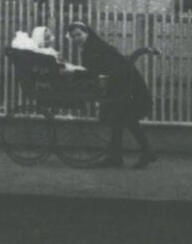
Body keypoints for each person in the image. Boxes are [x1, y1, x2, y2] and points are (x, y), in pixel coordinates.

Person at [66, 21, 156, 167]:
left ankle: (143, 152)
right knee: (119, 119)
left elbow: (95, 71)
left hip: (125, 84)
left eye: (79, 34)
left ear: (86, 33)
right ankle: (118, 157)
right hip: (120, 82)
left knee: (126, 118)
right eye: (73, 36)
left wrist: (74, 71)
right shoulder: (91, 46)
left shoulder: (93, 47)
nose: (77, 38)